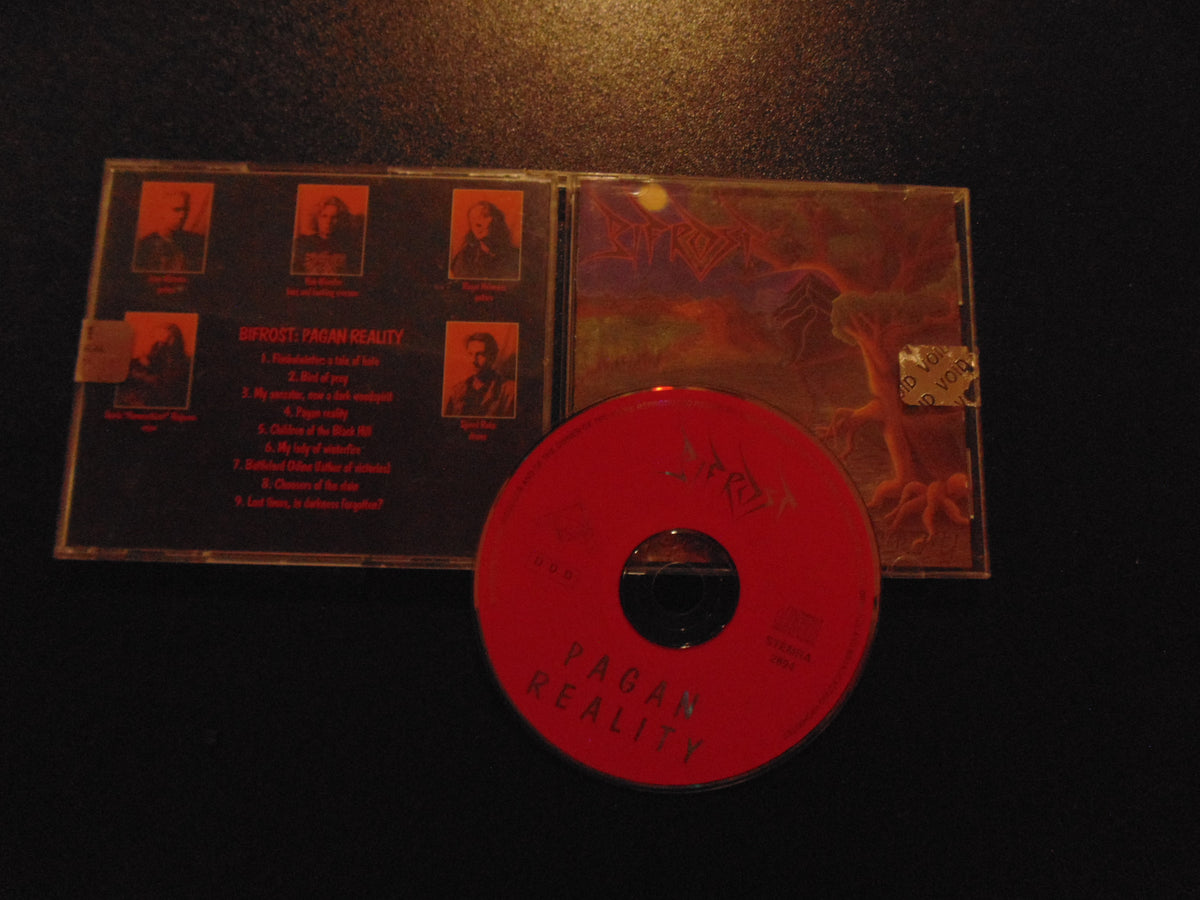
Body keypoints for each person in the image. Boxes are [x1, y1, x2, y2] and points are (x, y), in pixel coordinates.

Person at [114, 322, 192, 408]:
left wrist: (142, 374)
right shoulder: (159, 348)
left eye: (168, 338)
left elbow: (165, 383)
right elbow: (150, 361)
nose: (161, 342)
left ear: (175, 340)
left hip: (163, 396)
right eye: (158, 339)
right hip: (150, 387)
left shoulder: (183, 362)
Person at [444, 331, 515, 418]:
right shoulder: (457, 390)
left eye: (480, 354)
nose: (473, 360)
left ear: (492, 357)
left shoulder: (508, 391)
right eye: (470, 354)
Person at [134, 190, 206, 272]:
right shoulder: (145, 247)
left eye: (186, 210)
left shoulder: (196, 241)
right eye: (176, 210)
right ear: (161, 211)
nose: (182, 216)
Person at [292, 195, 363, 274]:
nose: (328, 221)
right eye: (324, 216)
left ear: (341, 220)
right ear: (317, 218)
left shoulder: (349, 245)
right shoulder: (302, 243)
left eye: (334, 217)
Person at [450, 201, 519, 279]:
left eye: (483, 216)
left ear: (496, 220)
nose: (477, 224)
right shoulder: (464, 258)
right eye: (473, 219)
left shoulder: (515, 257)